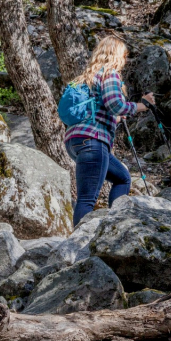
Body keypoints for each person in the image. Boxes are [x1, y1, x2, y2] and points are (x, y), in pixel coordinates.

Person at [64, 36, 155, 227]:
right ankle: (82, 245)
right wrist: (142, 105)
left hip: (75, 141)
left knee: (122, 177)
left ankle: (114, 225)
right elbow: (115, 104)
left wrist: (116, 116)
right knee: (87, 198)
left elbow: (101, 109)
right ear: (116, 55)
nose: (124, 61)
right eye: (123, 55)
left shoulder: (85, 78)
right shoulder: (109, 73)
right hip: (93, 141)